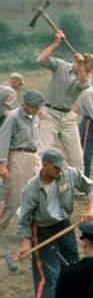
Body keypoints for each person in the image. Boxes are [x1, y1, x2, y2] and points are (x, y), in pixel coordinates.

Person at [16, 148, 93, 298]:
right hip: (42, 230)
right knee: (48, 276)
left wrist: (90, 208)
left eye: (62, 168)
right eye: (56, 168)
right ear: (45, 165)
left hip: (64, 224)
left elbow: (91, 187)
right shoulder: (31, 189)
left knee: (72, 268)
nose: (60, 172)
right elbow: (23, 219)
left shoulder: (69, 173)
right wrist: (25, 242)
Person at [38, 30, 93, 171]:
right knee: (44, 150)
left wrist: (81, 65)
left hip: (68, 117)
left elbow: (83, 83)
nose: (86, 73)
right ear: (76, 62)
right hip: (49, 113)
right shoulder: (61, 66)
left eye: (87, 71)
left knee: (76, 156)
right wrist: (56, 43)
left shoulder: (86, 76)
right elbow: (41, 60)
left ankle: (78, 186)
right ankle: (40, 181)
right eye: (86, 69)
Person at [0, 90, 44, 233]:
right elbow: (3, 140)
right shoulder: (13, 117)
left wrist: (38, 157)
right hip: (17, 156)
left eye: (39, 107)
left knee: (34, 194)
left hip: (33, 156)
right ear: (26, 105)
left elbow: (36, 138)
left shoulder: (35, 117)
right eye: (35, 107)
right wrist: (2, 164)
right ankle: (1, 226)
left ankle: (30, 231)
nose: (38, 110)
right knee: (14, 197)